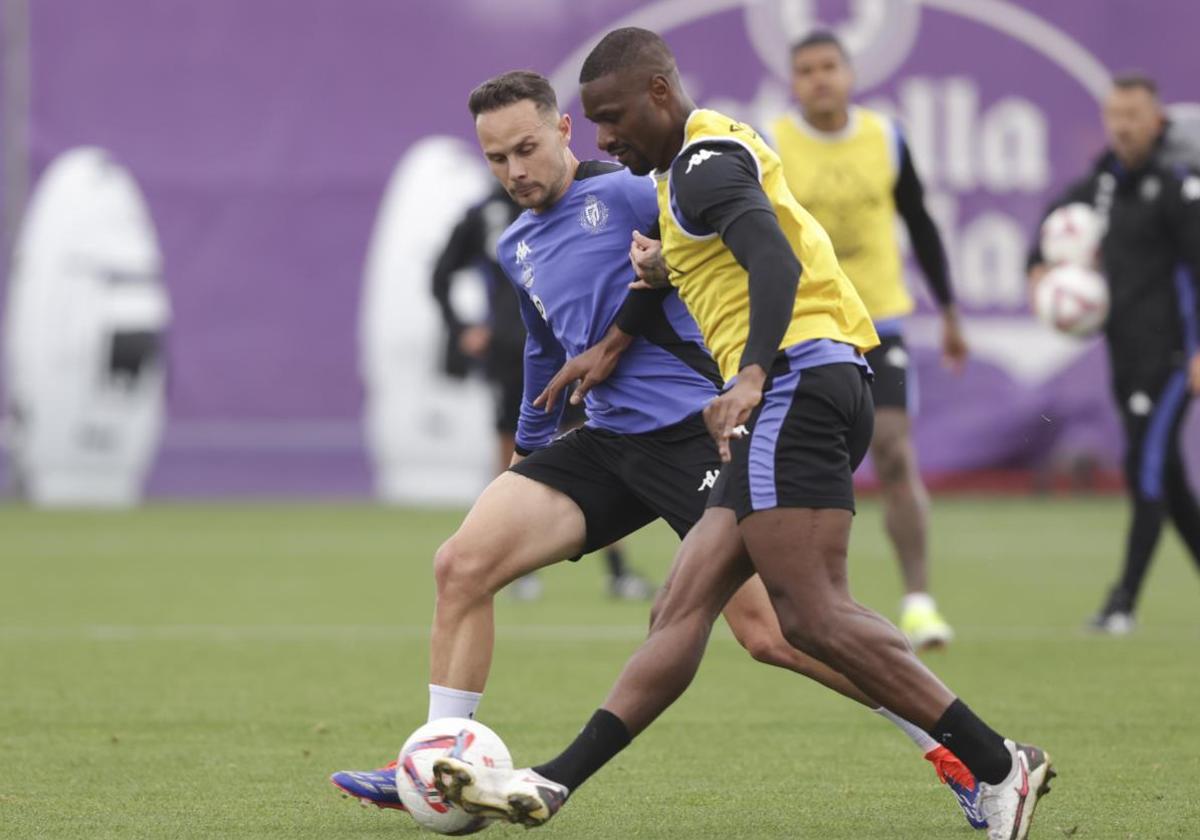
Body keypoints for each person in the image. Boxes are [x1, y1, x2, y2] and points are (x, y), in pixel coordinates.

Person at [433, 30, 1053, 840]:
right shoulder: (680, 172)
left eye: (612, 119)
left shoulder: (697, 165)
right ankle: (551, 783)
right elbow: (684, 270)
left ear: (659, 92)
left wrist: (754, 372)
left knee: (807, 619)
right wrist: (622, 331)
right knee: (682, 608)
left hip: (795, 383)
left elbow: (774, 260)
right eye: (596, 123)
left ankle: (997, 763)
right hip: (794, 384)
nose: (606, 139)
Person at [770, 31, 965, 649]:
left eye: (829, 67)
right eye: (806, 70)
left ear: (850, 73)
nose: (819, 78)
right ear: (792, 81)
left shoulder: (886, 137)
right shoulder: (771, 144)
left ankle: (919, 601)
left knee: (896, 452)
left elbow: (921, 223)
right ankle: (826, 600)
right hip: (807, 323)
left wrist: (952, 312)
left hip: (881, 319)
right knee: (820, 465)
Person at [1027, 73, 1200, 634]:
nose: (1123, 127)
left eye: (1134, 116)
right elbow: (1054, 221)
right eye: (1115, 115)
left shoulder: (1178, 185)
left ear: (1157, 121)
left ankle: (1120, 604)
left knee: (1145, 470)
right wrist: (1038, 267)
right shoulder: (1103, 183)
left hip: (1173, 357)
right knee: (1169, 481)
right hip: (1125, 355)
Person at [430, 182, 652, 601]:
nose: (515, 169)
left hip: (564, 351)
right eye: (501, 156)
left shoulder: (575, 206)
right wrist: (462, 328)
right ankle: (515, 567)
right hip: (509, 356)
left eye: (523, 150)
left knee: (594, 454)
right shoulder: (487, 214)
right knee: (512, 457)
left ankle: (618, 571)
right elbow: (440, 274)